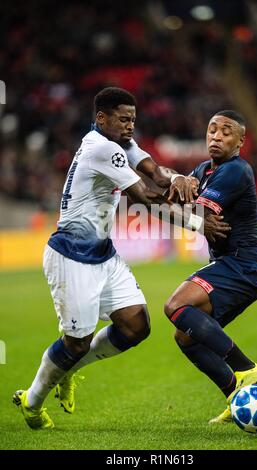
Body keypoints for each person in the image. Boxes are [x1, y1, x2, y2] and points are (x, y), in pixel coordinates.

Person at [13, 87, 230, 430]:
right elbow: (145, 199)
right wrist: (196, 222)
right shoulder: (102, 150)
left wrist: (183, 181)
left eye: (133, 119)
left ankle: (69, 369)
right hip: (71, 256)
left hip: (103, 253)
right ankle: (33, 401)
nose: (131, 126)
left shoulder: (121, 144)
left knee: (135, 326)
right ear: (101, 118)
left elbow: (157, 175)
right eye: (124, 119)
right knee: (77, 342)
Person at [164, 110, 257, 424]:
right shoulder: (204, 169)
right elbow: (179, 199)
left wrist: (180, 203)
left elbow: (194, 215)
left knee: (175, 305)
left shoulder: (235, 171)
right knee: (186, 336)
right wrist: (178, 180)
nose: (216, 136)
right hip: (238, 266)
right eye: (212, 130)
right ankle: (236, 397)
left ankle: (246, 368)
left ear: (240, 141)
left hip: (244, 264)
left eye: (226, 132)